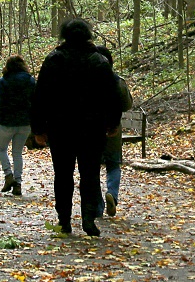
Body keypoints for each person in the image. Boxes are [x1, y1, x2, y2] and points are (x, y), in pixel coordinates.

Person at [30, 19, 122, 237]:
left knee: (63, 174)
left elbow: (39, 96)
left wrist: (38, 128)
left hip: (60, 129)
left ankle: (64, 220)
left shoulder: (54, 60)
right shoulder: (99, 61)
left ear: (64, 36)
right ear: (88, 36)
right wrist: (112, 122)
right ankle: (88, 220)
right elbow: (113, 96)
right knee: (89, 174)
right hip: (92, 129)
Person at [0, 55, 34, 196]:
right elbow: (36, 102)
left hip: (6, 122)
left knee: (1, 149)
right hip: (25, 123)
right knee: (17, 153)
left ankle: (8, 175)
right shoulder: (30, 81)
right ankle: (17, 183)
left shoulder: (4, 81)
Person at [92, 48, 132, 218]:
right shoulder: (117, 81)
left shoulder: (85, 80)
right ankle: (112, 194)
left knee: (91, 167)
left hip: (90, 129)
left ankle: (98, 205)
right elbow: (127, 105)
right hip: (113, 128)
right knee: (113, 164)